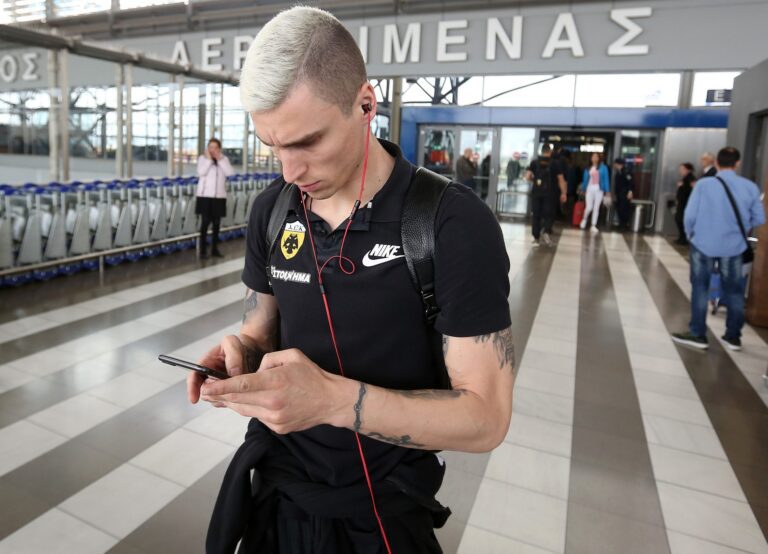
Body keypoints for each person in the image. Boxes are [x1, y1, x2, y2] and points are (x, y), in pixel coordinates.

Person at [186, 7, 515, 553]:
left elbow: (486, 419)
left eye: (307, 142)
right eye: (273, 145)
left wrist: (332, 401)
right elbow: (261, 329)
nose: (289, 170)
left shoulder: (449, 224)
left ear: (366, 105)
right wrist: (241, 352)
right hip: (279, 499)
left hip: (381, 517)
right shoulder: (273, 211)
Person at [672, 147, 765, 351]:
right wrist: (739, 228)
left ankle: (698, 334)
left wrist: (690, 234)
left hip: (702, 244)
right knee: (734, 291)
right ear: (737, 163)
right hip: (734, 247)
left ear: (716, 163)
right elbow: (759, 218)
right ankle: (733, 337)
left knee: (700, 288)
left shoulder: (703, 185)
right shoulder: (750, 187)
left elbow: (689, 215)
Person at [196, 138, 234, 258]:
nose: (213, 150)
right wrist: (208, 160)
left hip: (219, 196)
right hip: (205, 196)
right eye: (211, 147)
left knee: (216, 224)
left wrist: (220, 159)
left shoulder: (224, 159)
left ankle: (214, 249)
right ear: (208, 148)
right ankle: (202, 251)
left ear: (219, 149)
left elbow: (229, 173)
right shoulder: (202, 159)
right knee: (205, 223)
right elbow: (201, 172)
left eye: (215, 148)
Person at [526, 144, 567, 247]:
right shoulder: (555, 163)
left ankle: (536, 238)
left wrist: (534, 180)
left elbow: (528, 176)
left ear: (542, 151)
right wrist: (563, 193)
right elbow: (561, 180)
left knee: (536, 215)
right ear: (550, 151)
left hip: (537, 193)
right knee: (549, 214)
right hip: (551, 194)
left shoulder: (534, 162)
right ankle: (546, 231)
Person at [578, 152, 611, 233]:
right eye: (593, 157)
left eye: (596, 157)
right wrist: (583, 189)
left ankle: (593, 225)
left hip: (599, 190)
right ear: (591, 158)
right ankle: (584, 219)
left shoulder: (603, 168)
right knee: (589, 207)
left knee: (596, 208)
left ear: (599, 158)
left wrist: (607, 191)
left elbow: (606, 179)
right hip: (589, 189)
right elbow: (585, 180)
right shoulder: (588, 168)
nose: (595, 158)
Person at [674, 162, 696, 245]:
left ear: (688, 170)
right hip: (682, 202)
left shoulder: (690, 178)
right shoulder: (685, 178)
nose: (680, 171)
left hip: (685, 203)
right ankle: (681, 237)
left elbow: (690, 190)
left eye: (682, 169)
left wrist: (681, 186)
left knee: (681, 220)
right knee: (678, 219)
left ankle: (684, 238)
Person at [613, 158, 634, 229]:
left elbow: (631, 182)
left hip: (624, 194)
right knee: (619, 208)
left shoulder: (626, 172)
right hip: (619, 194)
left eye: (615, 164)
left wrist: (630, 191)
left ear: (619, 164)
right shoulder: (618, 172)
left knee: (624, 209)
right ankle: (621, 224)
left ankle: (624, 224)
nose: (614, 165)